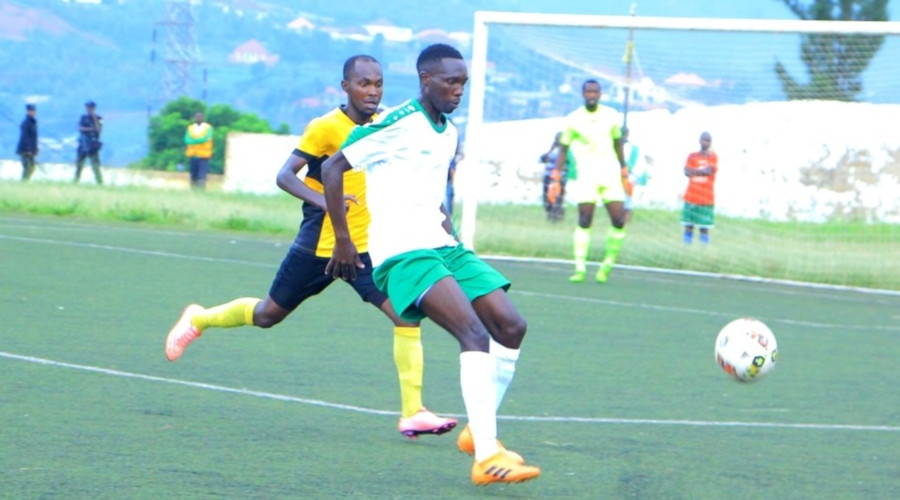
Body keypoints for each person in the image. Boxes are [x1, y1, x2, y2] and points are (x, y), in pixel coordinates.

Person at [164, 54, 457, 439]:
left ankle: (412, 412)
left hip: (368, 248)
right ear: (345, 87)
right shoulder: (325, 127)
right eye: (364, 83)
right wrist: (326, 202)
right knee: (269, 314)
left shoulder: (389, 124)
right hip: (320, 246)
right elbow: (285, 176)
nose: (372, 91)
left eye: (378, 84)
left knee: (405, 315)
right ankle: (198, 318)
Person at [322, 43, 541, 486]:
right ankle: (486, 454)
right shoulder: (396, 122)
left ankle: (476, 432)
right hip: (403, 252)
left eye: (464, 83)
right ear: (426, 80)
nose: (458, 90)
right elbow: (332, 168)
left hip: (441, 245)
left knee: (511, 326)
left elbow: (432, 190)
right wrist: (344, 240)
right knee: (473, 333)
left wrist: (452, 234)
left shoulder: (449, 131)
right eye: (451, 82)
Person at [552, 80, 630, 283]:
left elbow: (617, 143)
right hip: (587, 176)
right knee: (585, 220)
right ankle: (580, 268)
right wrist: (556, 176)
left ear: (600, 94)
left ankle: (607, 265)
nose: (592, 95)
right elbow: (563, 148)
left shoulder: (611, 115)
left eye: (595, 91)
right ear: (583, 94)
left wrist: (624, 168)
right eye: (588, 91)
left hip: (610, 175)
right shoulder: (573, 119)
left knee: (619, 219)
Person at [682, 131, 718, 244]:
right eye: (703, 139)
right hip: (691, 196)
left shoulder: (713, 156)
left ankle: (704, 252)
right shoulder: (692, 156)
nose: (705, 142)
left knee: (704, 228)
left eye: (708, 140)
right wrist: (700, 171)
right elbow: (686, 172)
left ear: (711, 142)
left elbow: (709, 171)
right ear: (699, 140)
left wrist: (694, 171)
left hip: (706, 198)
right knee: (688, 226)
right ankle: (686, 250)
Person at [539, 132, 570, 221]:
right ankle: (549, 215)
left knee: (558, 198)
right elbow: (542, 158)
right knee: (547, 197)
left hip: (560, 177)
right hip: (548, 175)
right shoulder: (552, 149)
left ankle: (557, 217)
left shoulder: (566, 150)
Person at [621, 127, 648, 223]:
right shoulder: (633, 148)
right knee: (625, 202)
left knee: (627, 202)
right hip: (626, 178)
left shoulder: (634, 149)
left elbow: (639, 165)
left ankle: (624, 221)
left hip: (628, 178)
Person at [75, 100, 103, 184]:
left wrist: (94, 119)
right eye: (88, 108)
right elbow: (80, 128)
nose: (89, 109)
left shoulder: (99, 118)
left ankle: (99, 182)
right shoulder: (83, 118)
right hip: (83, 144)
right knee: (79, 165)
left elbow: (99, 130)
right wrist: (91, 129)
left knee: (95, 165)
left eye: (91, 108)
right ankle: (76, 181)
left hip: (93, 145)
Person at [185, 111, 213, 189]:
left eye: (200, 117)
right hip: (192, 155)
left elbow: (206, 138)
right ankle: (193, 190)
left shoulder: (208, 128)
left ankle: (201, 190)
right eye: (197, 117)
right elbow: (187, 140)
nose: (199, 118)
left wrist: (194, 141)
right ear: (194, 118)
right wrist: (198, 141)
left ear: (203, 118)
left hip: (203, 155)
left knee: (202, 175)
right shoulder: (190, 128)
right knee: (193, 174)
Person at [16, 104, 38, 181]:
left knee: (32, 167)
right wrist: (28, 149)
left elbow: (34, 138)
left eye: (34, 111)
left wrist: (35, 149)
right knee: (28, 167)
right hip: (25, 150)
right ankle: (23, 181)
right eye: (31, 111)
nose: (33, 112)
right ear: (28, 111)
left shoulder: (33, 122)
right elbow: (25, 137)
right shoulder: (26, 123)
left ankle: (25, 181)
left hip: (31, 150)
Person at [445, 136, 464, 215]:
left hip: (449, 174)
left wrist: (452, 164)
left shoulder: (451, 132)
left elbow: (460, 153)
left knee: (448, 196)